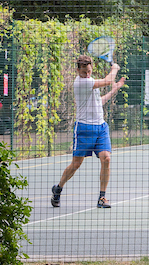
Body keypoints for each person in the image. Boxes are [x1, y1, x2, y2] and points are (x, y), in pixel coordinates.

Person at [52, 55, 126, 209]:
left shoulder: (91, 82)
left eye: (89, 71)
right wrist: (115, 69)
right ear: (78, 70)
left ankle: (102, 197)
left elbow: (99, 102)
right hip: (84, 129)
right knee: (76, 164)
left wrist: (114, 90)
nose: (87, 74)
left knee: (106, 159)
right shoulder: (81, 82)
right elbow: (107, 80)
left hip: (101, 128)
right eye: (84, 72)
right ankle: (58, 188)